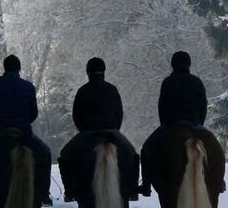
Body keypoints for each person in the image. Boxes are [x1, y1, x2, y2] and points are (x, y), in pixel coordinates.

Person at [0, 54, 53, 207]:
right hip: (23, 132)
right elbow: (33, 112)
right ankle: (45, 194)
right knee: (45, 153)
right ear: (19, 68)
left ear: (5, 68)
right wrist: (24, 123)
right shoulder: (28, 86)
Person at [58, 57, 139, 202]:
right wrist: (114, 129)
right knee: (132, 154)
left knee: (64, 154)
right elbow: (119, 114)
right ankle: (132, 189)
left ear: (88, 72)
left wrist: (83, 130)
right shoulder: (112, 89)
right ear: (104, 72)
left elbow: (77, 116)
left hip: (87, 133)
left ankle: (70, 190)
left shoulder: (83, 91)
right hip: (112, 131)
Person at [138, 51, 207, 196]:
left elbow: (162, 107)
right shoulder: (197, 81)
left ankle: (145, 185)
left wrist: (165, 124)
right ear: (189, 64)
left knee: (146, 149)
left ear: (173, 65)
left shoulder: (168, 82)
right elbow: (203, 106)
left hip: (171, 125)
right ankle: (219, 181)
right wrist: (199, 124)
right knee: (214, 148)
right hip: (194, 125)